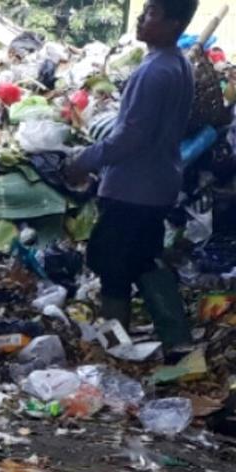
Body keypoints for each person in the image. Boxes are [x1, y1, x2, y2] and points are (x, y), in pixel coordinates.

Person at [64, 0, 199, 356]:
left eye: (152, 13)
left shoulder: (154, 72)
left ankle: (113, 346)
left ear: (174, 24)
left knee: (111, 263)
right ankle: (177, 339)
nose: (141, 18)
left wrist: (85, 159)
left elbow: (129, 137)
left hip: (134, 187)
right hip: (159, 183)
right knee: (142, 258)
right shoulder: (177, 65)